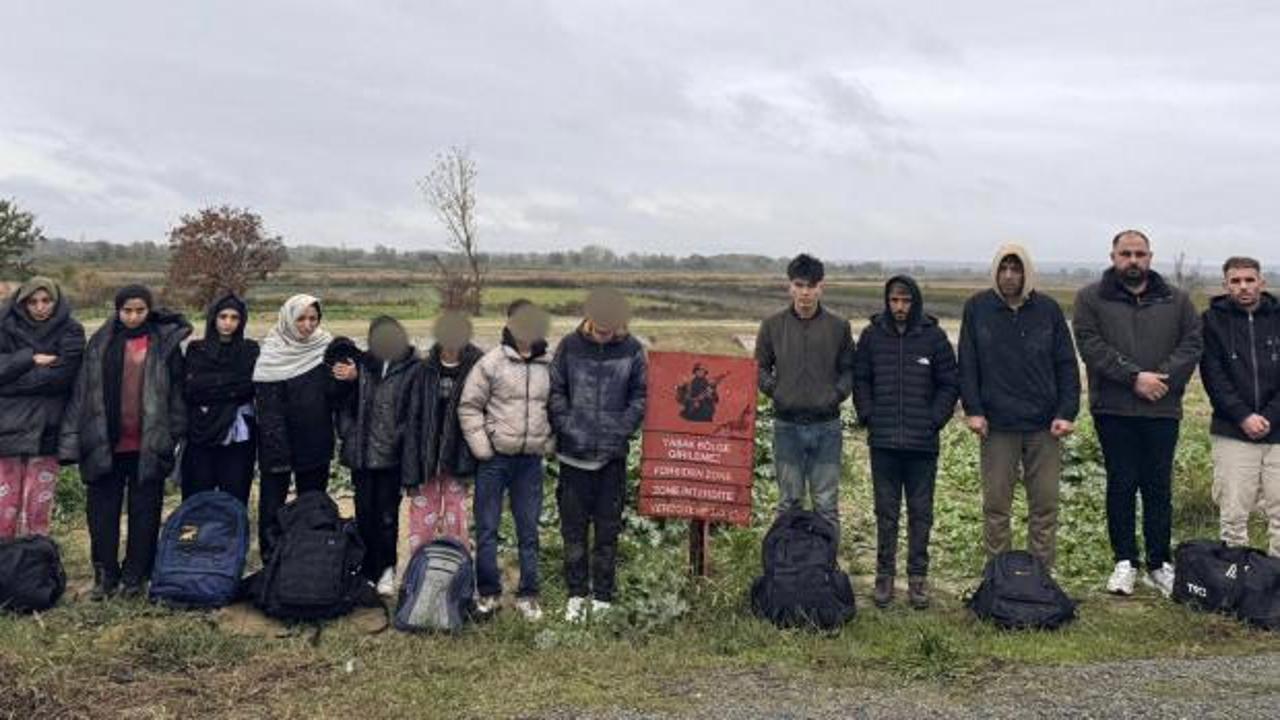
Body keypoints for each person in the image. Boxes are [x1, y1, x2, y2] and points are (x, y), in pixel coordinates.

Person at [1074, 230, 1203, 597]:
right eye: (1126, 253)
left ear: (1150, 257)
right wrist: (1133, 378)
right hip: (1114, 408)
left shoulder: (1177, 300)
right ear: (1113, 257)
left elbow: (1192, 344)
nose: (1133, 260)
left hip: (1162, 409)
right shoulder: (1091, 298)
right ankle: (1125, 561)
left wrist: (1158, 379)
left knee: (1158, 486)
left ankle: (1159, 563)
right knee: (1122, 483)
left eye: (1140, 254)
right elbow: (1090, 345)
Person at [61, 285, 191, 599]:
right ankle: (105, 575)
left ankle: (136, 576)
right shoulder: (100, 342)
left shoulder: (164, 345)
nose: (133, 317)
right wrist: (71, 441)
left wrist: (172, 433)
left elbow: (177, 395)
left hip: (148, 445)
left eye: (139, 311)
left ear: (149, 310)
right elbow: (82, 392)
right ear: (117, 310)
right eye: (127, 311)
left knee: (145, 513)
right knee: (101, 513)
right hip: (104, 443)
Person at [958, 244, 1081, 571]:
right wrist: (974, 409)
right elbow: (967, 363)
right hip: (997, 426)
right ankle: (999, 575)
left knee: (1044, 506)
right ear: (995, 272)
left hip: (1043, 426)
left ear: (1027, 273)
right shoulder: (978, 308)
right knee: (996, 507)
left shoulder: (1048, 310)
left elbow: (1066, 364)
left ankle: (1040, 576)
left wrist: (1066, 412)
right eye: (1003, 268)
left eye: (1016, 269)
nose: (1009, 275)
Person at [853, 276, 958, 609]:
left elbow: (949, 383)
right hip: (883, 442)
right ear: (887, 301)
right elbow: (861, 378)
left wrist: (934, 420)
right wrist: (868, 414)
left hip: (922, 444)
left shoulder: (934, 338)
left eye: (906, 301)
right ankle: (884, 576)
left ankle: (917, 578)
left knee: (921, 513)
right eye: (894, 300)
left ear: (916, 302)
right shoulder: (872, 336)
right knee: (886, 513)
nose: (900, 307)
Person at [549, 288, 647, 621]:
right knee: (573, 530)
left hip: (611, 458)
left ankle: (603, 595)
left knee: (607, 530)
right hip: (572, 456)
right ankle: (576, 594)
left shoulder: (633, 350)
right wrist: (567, 427)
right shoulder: (569, 346)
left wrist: (619, 431)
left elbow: (640, 397)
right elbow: (556, 391)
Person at [459, 299, 554, 621]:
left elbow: (557, 406)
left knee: (529, 530)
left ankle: (528, 595)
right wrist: (483, 447)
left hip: (530, 463)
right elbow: (469, 406)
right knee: (487, 529)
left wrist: (549, 441)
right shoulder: (491, 363)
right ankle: (488, 594)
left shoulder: (549, 365)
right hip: (495, 460)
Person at [754, 253, 855, 533]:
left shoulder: (839, 326)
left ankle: (826, 560)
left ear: (821, 287)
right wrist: (778, 392)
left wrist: (835, 395)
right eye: (799, 285)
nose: (805, 292)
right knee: (789, 503)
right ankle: (787, 559)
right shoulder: (772, 325)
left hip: (827, 427)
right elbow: (759, 368)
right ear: (790, 287)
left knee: (826, 504)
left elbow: (849, 369)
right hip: (787, 426)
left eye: (811, 286)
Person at [252, 294, 355, 561]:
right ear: (288, 318)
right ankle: (272, 560)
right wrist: (276, 447)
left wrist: (349, 378)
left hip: (315, 440)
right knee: (272, 505)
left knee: (312, 505)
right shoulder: (272, 351)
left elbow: (335, 397)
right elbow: (265, 404)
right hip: (276, 442)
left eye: (313, 318)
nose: (308, 325)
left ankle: (308, 559)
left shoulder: (324, 348)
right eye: (301, 319)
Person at [1200, 256, 1280, 556]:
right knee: (1233, 512)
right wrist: (1243, 416)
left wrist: (1269, 416)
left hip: (1278, 430)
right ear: (1225, 285)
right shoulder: (1211, 321)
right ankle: (1236, 572)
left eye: (1249, 280)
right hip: (1232, 429)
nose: (1243, 286)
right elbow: (1213, 375)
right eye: (1235, 281)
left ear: (1262, 282)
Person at [337, 316, 419, 596]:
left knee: (387, 516)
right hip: (361, 454)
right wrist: (349, 433)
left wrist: (399, 438)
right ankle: (366, 569)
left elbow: (413, 412)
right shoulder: (362, 365)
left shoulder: (412, 367)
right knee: (364, 513)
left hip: (391, 457)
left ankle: (386, 569)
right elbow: (345, 406)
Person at [0, 277, 85, 539]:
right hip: (7, 431)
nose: (40, 307)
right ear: (22, 303)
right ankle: (6, 559)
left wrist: (11, 377)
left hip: (47, 431)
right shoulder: (4, 326)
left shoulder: (71, 330)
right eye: (33, 301)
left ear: (56, 302)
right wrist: (30, 358)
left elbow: (63, 377)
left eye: (46, 301)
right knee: (4, 508)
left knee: (37, 509)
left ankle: (34, 560)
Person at [407, 311, 484, 553]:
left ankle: (457, 567)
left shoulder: (478, 367)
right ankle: (419, 568)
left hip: (459, 456)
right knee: (422, 520)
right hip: (426, 459)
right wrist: (411, 463)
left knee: (456, 519)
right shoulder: (423, 369)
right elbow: (414, 417)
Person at [180, 293, 259, 504]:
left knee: (234, 495)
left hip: (238, 437)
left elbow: (248, 387)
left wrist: (210, 384)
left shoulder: (249, 350)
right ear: (213, 318)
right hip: (201, 432)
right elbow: (192, 390)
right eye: (223, 316)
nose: (228, 323)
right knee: (197, 495)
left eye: (234, 317)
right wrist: (231, 385)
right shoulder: (197, 349)